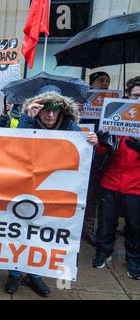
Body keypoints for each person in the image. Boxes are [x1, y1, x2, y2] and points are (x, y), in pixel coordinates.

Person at [5, 90, 98, 297]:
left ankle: (35, 275)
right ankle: (15, 273)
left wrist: (93, 143)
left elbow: (85, 156)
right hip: (26, 187)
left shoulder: (70, 127)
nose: (50, 116)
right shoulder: (28, 121)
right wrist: (27, 119)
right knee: (20, 230)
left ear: (61, 111)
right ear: (37, 111)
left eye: (54, 111)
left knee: (42, 233)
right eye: (45, 111)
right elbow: (16, 143)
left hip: (52, 190)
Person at [91, 76, 140, 280]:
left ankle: (134, 259)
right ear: (128, 95)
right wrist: (102, 143)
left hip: (136, 185)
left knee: (135, 226)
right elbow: (103, 151)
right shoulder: (116, 113)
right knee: (106, 222)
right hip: (111, 181)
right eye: (136, 95)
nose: (139, 100)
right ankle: (103, 251)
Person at [80, 72, 112, 247]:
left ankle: (88, 228)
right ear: (92, 83)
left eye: (107, 81)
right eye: (101, 80)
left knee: (93, 194)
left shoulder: (114, 103)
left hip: (100, 156)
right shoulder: (81, 100)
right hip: (82, 152)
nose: (105, 84)